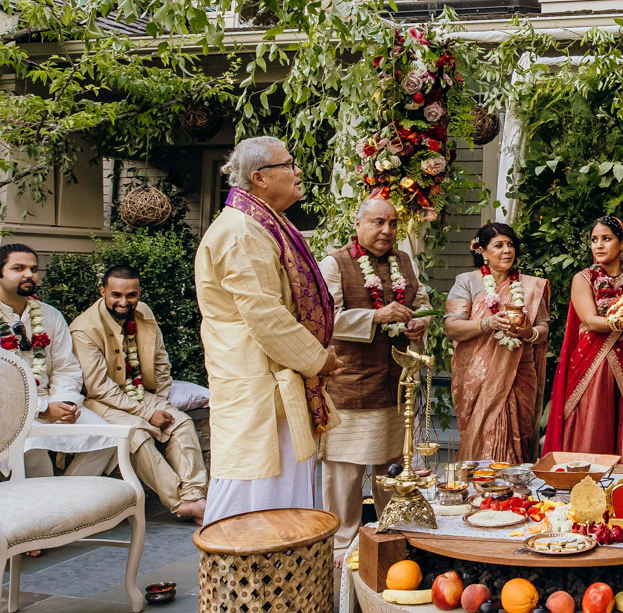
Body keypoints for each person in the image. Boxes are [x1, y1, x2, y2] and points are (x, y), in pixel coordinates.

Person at [195, 136, 345, 526]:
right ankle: (243, 582)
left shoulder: (261, 223)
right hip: (256, 383)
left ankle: (278, 578)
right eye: (289, 165)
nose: (298, 172)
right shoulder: (242, 231)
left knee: (282, 492)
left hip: (274, 376)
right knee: (254, 490)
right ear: (259, 178)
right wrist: (318, 360)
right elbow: (265, 314)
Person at [0, 243, 114, 481]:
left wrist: (64, 404)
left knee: (107, 438)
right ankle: (50, 509)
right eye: (19, 268)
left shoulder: (50, 315)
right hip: (1, 413)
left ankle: (67, 497)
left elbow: (66, 367)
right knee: (33, 450)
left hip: (52, 403)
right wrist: (42, 409)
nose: (29, 274)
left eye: (34, 269)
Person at [315, 195, 427, 535]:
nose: (387, 230)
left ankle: (391, 534)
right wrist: (376, 315)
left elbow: (421, 301)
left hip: (395, 386)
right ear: (358, 224)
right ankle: (340, 542)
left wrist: (421, 322)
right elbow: (324, 319)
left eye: (392, 223)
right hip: (350, 386)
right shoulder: (334, 264)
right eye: (378, 222)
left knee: (392, 469)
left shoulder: (404, 261)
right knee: (345, 473)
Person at [69, 265, 211, 523]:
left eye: (131, 295)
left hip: (140, 392)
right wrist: (147, 413)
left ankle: (195, 496)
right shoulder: (84, 328)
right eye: (116, 295)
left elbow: (161, 361)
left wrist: (160, 399)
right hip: (101, 400)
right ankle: (181, 504)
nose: (124, 302)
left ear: (138, 293)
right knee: (136, 435)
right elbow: (99, 386)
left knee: (181, 423)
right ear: (103, 292)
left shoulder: (144, 313)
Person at [544, 216, 623, 463]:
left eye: (607, 239)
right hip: (592, 369)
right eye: (594, 240)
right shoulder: (583, 279)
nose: (599, 245)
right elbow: (592, 321)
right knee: (592, 426)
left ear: (622, 243)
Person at [447, 224, 551, 464]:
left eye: (511, 244)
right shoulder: (467, 282)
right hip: (478, 375)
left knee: (518, 438)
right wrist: (487, 323)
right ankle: (480, 493)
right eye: (498, 245)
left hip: (519, 373)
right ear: (482, 251)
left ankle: (514, 497)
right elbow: (452, 327)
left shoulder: (529, 286)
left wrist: (529, 332)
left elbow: (543, 328)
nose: (507, 251)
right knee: (484, 438)